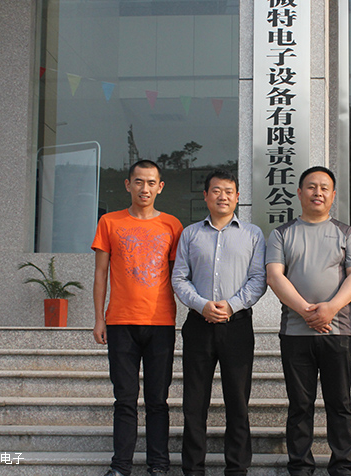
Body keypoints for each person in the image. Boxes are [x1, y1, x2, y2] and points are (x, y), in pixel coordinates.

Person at [266, 166, 351, 476]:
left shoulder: (348, 233)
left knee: (340, 404)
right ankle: (300, 467)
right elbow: (274, 276)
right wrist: (307, 311)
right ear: (299, 193)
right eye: (311, 187)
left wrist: (330, 309)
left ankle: (343, 466)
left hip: (337, 332)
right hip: (295, 333)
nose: (317, 192)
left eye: (324, 188)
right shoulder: (282, 233)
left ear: (333, 195)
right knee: (299, 405)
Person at [171, 169, 267, 476]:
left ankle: (237, 469)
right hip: (198, 325)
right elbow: (179, 278)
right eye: (216, 191)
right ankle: (192, 469)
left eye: (228, 191)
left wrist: (231, 305)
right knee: (194, 403)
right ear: (205, 196)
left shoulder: (253, 234)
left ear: (237, 197)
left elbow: (258, 279)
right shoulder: (190, 234)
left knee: (237, 401)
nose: (222, 196)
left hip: (237, 326)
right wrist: (202, 305)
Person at [92, 160, 184, 476]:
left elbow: (180, 275)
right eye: (139, 182)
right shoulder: (109, 222)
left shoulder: (172, 225)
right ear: (128, 184)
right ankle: (121, 466)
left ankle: (159, 464)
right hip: (120, 322)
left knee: (158, 399)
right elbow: (100, 273)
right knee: (125, 399)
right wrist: (99, 318)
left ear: (160, 187)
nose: (145, 188)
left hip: (161, 323)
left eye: (151, 183)